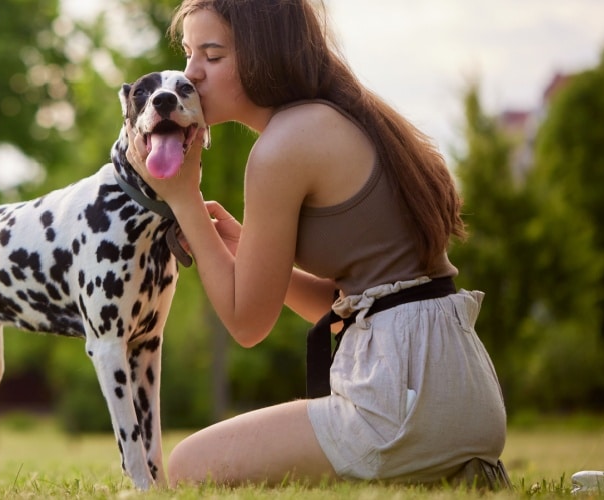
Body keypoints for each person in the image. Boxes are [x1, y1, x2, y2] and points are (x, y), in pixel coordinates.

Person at [124, 0, 509, 488]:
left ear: (267, 54)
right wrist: (245, 247)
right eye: (188, 54)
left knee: (188, 465)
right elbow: (353, 305)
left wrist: (185, 201)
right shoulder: (344, 117)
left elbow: (247, 324)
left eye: (213, 56)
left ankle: (421, 463)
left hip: (401, 402)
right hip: (461, 390)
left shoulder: (283, 147)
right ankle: (443, 470)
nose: (191, 74)